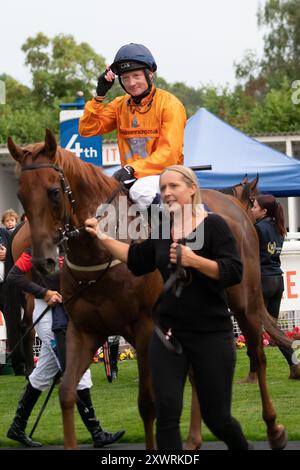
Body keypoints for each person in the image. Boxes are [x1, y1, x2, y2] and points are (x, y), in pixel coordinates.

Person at [85, 165, 251, 450]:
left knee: (217, 418)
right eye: (163, 188)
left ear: (192, 189)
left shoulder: (214, 225)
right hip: (168, 336)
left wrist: (194, 260)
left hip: (211, 335)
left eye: (174, 186)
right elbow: (136, 258)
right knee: (167, 416)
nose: (167, 193)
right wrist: (102, 237)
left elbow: (233, 271)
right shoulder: (163, 229)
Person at [5, 248, 125, 448]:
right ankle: (96, 432)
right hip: (47, 316)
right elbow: (13, 276)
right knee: (76, 369)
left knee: (42, 373)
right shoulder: (36, 249)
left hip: (67, 315)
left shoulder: (71, 246)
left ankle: (17, 427)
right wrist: (44, 292)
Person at [79, 43, 187, 210]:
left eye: (136, 76)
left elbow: (169, 154)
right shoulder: (119, 105)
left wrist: (132, 169)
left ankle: (168, 234)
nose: (131, 83)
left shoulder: (170, 105)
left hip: (167, 175)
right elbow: (87, 129)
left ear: (150, 74)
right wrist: (99, 96)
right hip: (131, 177)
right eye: (125, 78)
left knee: (140, 191)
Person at [246, 194, 300, 382]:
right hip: (277, 280)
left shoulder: (257, 229)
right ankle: (295, 365)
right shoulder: (278, 228)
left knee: (254, 328)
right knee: (273, 329)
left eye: (254, 206)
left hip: (262, 281)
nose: (252, 209)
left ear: (264, 211)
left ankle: (254, 373)